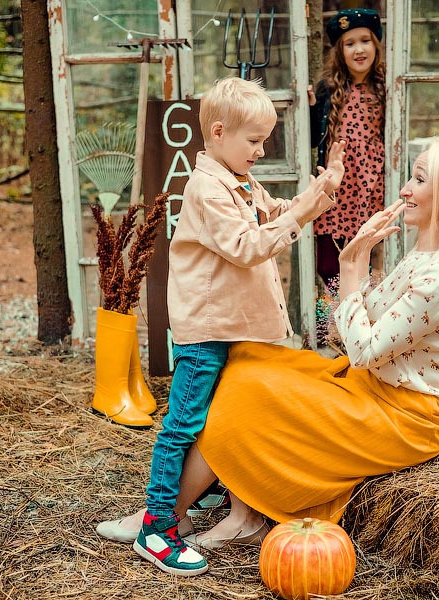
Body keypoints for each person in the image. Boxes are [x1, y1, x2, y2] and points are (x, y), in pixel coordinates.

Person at [180, 140, 439, 548]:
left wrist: (352, 267)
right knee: (249, 359)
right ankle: (242, 513)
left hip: (405, 416)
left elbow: (363, 349)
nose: (404, 190)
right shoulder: (422, 258)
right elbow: (360, 321)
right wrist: (357, 267)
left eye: (418, 180)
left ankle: (167, 515)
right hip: (369, 387)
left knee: (250, 390)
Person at [94, 77, 346, 577]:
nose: (262, 149)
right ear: (217, 132)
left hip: (234, 328)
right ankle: (157, 529)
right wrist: (300, 210)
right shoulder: (207, 187)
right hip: (207, 332)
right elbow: (247, 245)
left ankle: (178, 512)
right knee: (182, 426)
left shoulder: (239, 180)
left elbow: (276, 213)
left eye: (265, 139)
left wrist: (320, 192)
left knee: (218, 421)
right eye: (254, 140)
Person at [308, 8, 387, 287]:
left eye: (365, 41)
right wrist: (310, 107)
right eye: (349, 44)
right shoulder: (327, 88)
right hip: (338, 183)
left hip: (371, 184)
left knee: (364, 254)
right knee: (328, 262)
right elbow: (311, 134)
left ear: (375, 44)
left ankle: (360, 313)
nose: (359, 50)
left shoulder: (385, 86)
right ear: (339, 52)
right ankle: (332, 320)